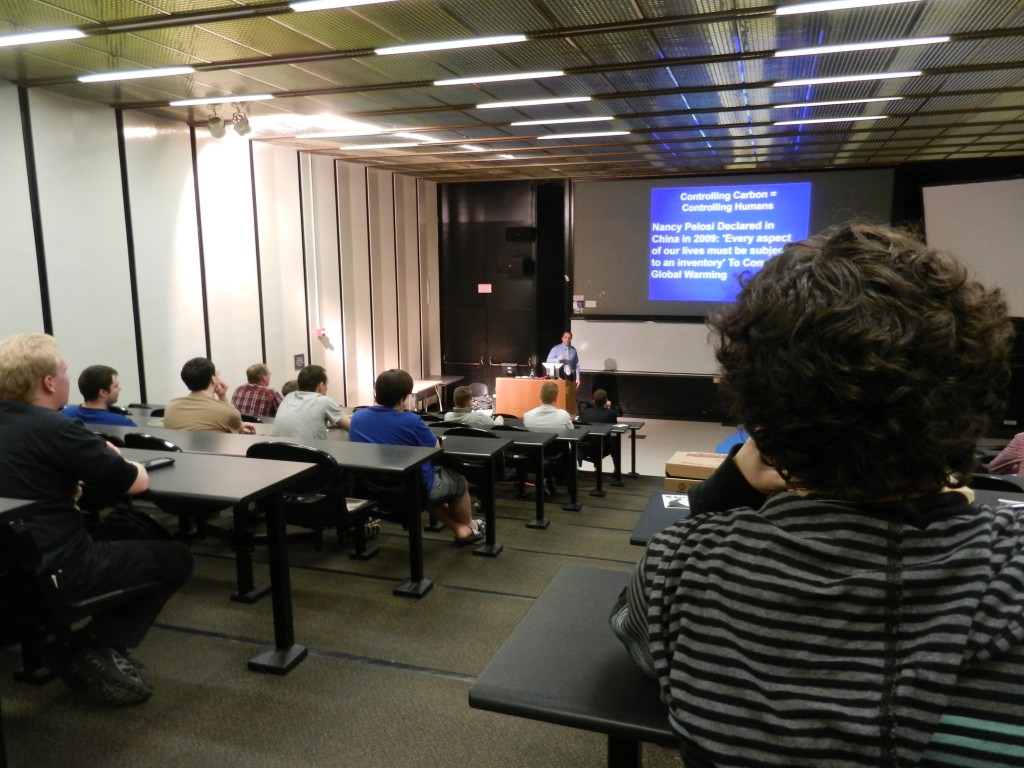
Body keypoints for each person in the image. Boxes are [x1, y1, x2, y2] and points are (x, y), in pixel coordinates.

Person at [609, 223, 1024, 767]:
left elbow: (630, 623)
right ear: (969, 396)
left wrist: (730, 484)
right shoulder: (1009, 575)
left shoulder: (679, 573)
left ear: (757, 413)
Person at [0, 334, 193, 705]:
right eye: (65, 371)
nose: (68, 378)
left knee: (113, 530)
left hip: (8, 573)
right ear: (49, 382)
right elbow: (135, 483)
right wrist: (114, 455)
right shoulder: (57, 429)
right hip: (58, 573)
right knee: (176, 558)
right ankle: (94, 645)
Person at [350, 369, 484, 545]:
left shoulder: (358, 417)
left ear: (377, 392)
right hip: (411, 487)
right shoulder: (411, 421)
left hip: (371, 487)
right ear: (404, 396)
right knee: (458, 482)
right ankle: (470, 524)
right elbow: (435, 448)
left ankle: (460, 529)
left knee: (422, 485)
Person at [164, 357, 255, 434]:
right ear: (213, 379)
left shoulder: (170, 406)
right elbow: (233, 423)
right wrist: (222, 397)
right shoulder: (228, 412)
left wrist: (221, 395)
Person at [271, 364, 350, 440]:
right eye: (326, 383)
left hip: (278, 452)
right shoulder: (324, 401)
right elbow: (352, 428)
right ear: (321, 385)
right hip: (309, 453)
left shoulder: (288, 397)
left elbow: (302, 424)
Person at [523, 381, 574, 491]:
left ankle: (547, 478)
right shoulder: (563, 415)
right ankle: (565, 481)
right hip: (558, 454)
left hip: (535, 454)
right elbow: (572, 433)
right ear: (556, 398)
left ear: (540, 396)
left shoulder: (528, 416)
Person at [61, 364, 137, 426]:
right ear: (103, 393)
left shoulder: (63, 415)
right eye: (116, 386)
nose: (119, 389)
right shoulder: (122, 423)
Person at [576, 389, 619, 474]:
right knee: (615, 440)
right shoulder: (612, 413)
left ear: (593, 401)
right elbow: (614, 427)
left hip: (585, 446)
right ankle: (617, 470)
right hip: (603, 447)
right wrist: (608, 408)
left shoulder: (585, 412)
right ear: (606, 401)